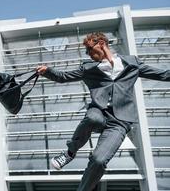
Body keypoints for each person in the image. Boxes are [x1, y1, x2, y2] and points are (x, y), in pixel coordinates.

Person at [36, 32, 170, 191]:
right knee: (93, 118)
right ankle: (70, 153)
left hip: (120, 122)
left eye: (89, 49)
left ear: (101, 43)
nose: (88, 54)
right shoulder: (88, 68)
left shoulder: (132, 63)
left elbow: (162, 74)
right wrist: (47, 71)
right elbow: (64, 76)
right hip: (98, 112)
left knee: (98, 160)